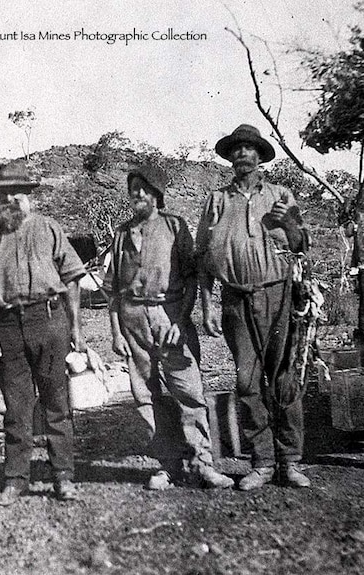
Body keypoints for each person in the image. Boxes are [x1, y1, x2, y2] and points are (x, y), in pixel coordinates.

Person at [195, 124, 311, 490]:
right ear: (230, 158)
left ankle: (289, 462)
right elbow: (202, 259)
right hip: (235, 297)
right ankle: (261, 463)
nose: (243, 154)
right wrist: (208, 305)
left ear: (260, 156)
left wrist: (289, 222)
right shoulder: (217, 200)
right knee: (247, 381)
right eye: (237, 149)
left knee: (283, 378)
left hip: (277, 294)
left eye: (250, 149)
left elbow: (301, 245)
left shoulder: (280, 194)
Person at [104, 165, 233, 490]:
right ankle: (168, 465)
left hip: (170, 314)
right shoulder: (121, 234)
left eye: (144, 189)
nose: (138, 195)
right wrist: (117, 332)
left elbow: (191, 278)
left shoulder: (174, 226)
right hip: (133, 321)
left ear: (157, 195)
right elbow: (113, 290)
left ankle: (203, 463)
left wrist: (179, 320)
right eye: (133, 189)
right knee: (146, 396)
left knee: (188, 392)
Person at [0, 158, 86, 505]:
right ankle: (15, 479)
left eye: (18, 192)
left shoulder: (48, 228)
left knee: (56, 402)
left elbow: (72, 277)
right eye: (5, 194)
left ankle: (63, 476)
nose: (11, 200)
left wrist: (76, 326)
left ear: (28, 195)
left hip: (49, 320)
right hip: (8, 326)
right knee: (16, 408)